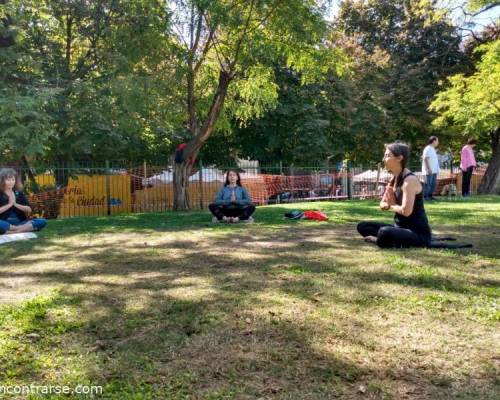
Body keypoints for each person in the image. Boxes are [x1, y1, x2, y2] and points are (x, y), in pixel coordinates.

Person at [357, 143, 432, 248]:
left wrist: (392, 205)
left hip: (417, 234)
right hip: (400, 228)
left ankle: (380, 240)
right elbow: (383, 203)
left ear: (399, 158)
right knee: (363, 226)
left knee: (384, 231)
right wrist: (386, 205)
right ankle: (390, 239)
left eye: (387, 156)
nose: (384, 159)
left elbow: (406, 212)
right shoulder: (394, 178)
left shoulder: (409, 181)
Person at [0, 168, 47, 235]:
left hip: (20, 222)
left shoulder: (19, 194)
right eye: (8, 180)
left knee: (42, 221)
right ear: (2, 181)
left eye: (13, 179)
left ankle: (12, 231)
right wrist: (9, 205)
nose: (11, 182)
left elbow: (29, 210)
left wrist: (15, 204)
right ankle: (21, 229)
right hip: (4, 223)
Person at [421, 136, 440, 200]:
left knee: (433, 184)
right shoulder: (428, 148)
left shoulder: (433, 149)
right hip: (429, 170)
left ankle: (430, 196)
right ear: (434, 141)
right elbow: (425, 159)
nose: (438, 142)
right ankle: (426, 197)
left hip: (434, 170)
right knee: (428, 184)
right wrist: (428, 169)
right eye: (437, 141)